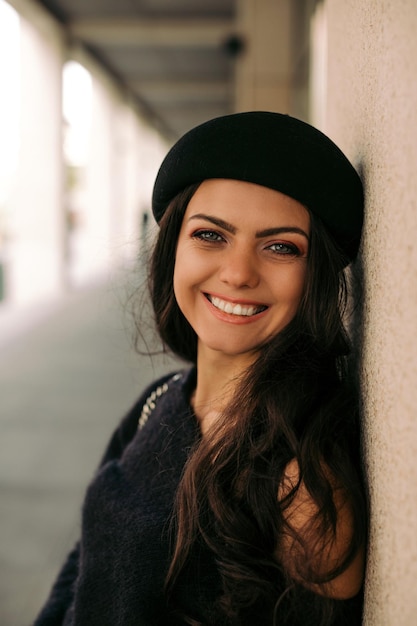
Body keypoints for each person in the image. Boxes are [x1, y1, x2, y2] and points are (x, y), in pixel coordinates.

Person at [33, 112, 367, 626]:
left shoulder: (303, 480)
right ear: (173, 250)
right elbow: (82, 568)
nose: (237, 273)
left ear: (315, 276)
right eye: (211, 236)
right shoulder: (158, 401)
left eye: (280, 247)